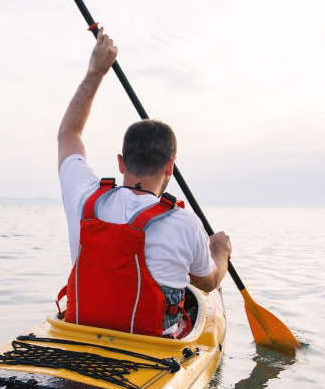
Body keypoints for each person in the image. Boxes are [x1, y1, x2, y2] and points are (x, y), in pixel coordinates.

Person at [57, 31, 231, 337]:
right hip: (154, 348)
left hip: (81, 336)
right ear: (169, 166)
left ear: (121, 163)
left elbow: (69, 134)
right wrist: (221, 252)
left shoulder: (84, 198)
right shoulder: (184, 223)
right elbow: (208, 282)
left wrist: (96, 72)